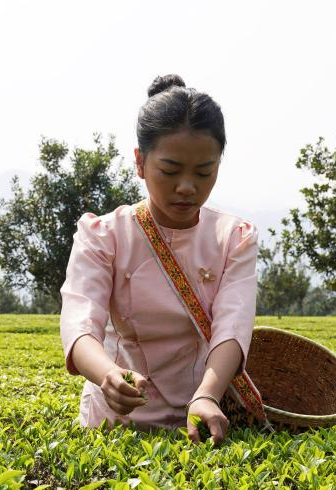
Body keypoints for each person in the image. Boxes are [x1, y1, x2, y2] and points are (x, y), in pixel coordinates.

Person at [60, 74, 259, 444]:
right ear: (140, 162)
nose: (187, 187)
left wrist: (207, 394)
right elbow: (81, 318)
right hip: (117, 417)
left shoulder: (233, 238)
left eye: (204, 172)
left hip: (202, 413)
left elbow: (233, 326)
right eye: (169, 171)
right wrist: (107, 375)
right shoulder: (105, 235)